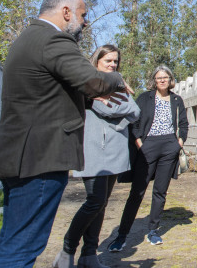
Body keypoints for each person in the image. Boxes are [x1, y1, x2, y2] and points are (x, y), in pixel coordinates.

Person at [0, 0, 126, 268]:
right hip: (39, 160)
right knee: (22, 248)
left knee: (14, 242)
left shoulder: (29, 38)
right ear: (65, 12)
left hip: (20, 155)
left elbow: (46, 95)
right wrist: (117, 79)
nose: (85, 22)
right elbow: (93, 81)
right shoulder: (54, 39)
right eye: (83, 15)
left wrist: (85, 99)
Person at [53, 45, 141, 268]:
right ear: (96, 62)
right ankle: (67, 250)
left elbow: (135, 111)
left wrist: (121, 111)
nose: (112, 65)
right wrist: (122, 111)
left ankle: (89, 255)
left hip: (114, 151)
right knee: (94, 201)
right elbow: (108, 109)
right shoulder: (89, 84)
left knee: (102, 204)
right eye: (108, 61)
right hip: (94, 149)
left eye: (115, 62)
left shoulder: (115, 85)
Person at [107, 65, 188, 251]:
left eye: (165, 77)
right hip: (148, 145)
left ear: (170, 80)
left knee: (160, 192)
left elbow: (183, 123)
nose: (162, 80)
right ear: (154, 80)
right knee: (137, 192)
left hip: (169, 146)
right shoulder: (144, 98)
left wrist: (179, 143)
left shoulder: (177, 100)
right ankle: (122, 235)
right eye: (159, 77)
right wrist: (140, 144)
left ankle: (153, 230)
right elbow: (133, 122)